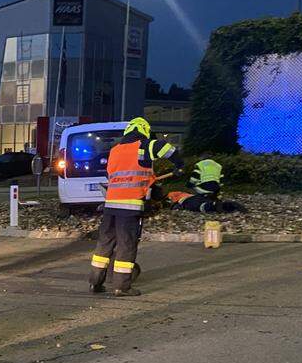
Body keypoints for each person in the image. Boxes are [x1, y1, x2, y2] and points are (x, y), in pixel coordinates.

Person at [88, 117, 182, 297]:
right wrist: (179, 164)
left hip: (110, 206)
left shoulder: (115, 150)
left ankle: (95, 283)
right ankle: (122, 287)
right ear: (144, 130)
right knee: (126, 245)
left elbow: (115, 176)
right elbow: (166, 148)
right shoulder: (143, 145)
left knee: (104, 245)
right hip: (129, 208)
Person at [167, 159, 246, 213]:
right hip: (205, 195)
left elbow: (171, 202)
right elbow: (221, 182)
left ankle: (215, 205)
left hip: (189, 200)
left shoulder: (172, 195)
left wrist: (173, 206)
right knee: (207, 204)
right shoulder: (217, 166)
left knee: (199, 207)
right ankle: (230, 205)